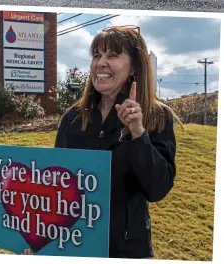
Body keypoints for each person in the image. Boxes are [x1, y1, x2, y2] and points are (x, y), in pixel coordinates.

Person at [22, 25, 183, 258]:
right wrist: (38, 238)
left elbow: (158, 189)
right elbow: (55, 188)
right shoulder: (72, 118)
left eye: (113, 55)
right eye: (97, 55)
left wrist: (138, 134)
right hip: (74, 244)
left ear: (134, 66)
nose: (101, 63)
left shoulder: (156, 116)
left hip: (126, 251)